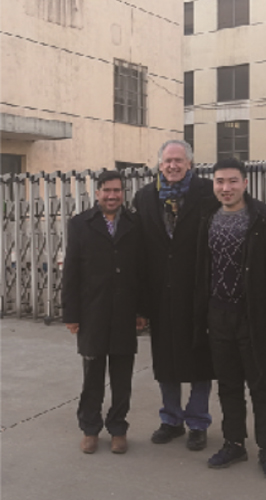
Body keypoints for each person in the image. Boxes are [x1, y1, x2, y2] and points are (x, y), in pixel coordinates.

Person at [194, 158, 266, 481]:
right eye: (220, 181)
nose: (226, 188)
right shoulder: (207, 216)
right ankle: (234, 443)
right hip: (218, 315)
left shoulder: (264, 217)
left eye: (232, 181)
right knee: (228, 385)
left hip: (254, 316)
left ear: (245, 183)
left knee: (263, 386)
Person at [133, 140, 214, 452]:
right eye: (167, 161)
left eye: (179, 160)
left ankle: (198, 422)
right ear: (159, 164)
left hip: (198, 291)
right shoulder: (145, 197)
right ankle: (171, 419)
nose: (173, 166)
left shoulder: (208, 193)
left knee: (200, 359)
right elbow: (138, 249)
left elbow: (242, 210)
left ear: (190, 163)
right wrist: (140, 304)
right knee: (165, 359)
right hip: (160, 294)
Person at [62, 170, 146, 455]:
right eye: (107, 190)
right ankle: (90, 428)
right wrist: (71, 314)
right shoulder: (80, 224)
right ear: (97, 193)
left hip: (125, 312)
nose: (112, 196)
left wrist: (142, 310)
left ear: (123, 193)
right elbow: (71, 271)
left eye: (117, 190)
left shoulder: (135, 223)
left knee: (122, 377)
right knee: (92, 376)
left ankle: (118, 427)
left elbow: (142, 270)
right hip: (92, 312)